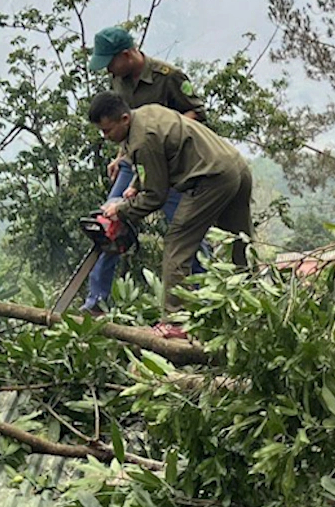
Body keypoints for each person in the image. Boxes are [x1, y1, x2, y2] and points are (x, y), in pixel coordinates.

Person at [88, 91, 253, 339]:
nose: (106, 137)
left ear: (123, 118)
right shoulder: (146, 113)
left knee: (177, 244)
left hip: (211, 179)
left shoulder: (143, 139)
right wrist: (135, 185)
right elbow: (154, 161)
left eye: (108, 130)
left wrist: (120, 210)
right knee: (239, 244)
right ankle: (251, 308)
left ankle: (176, 321)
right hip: (234, 166)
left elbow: (156, 196)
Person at [82, 25, 210, 314]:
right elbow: (123, 122)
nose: (109, 71)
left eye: (110, 63)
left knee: (185, 230)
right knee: (108, 223)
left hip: (170, 165)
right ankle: (96, 302)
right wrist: (120, 155)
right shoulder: (119, 81)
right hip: (132, 162)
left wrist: (165, 131)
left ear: (127, 55)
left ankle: (205, 297)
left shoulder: (169, 77)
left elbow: (197, 113)